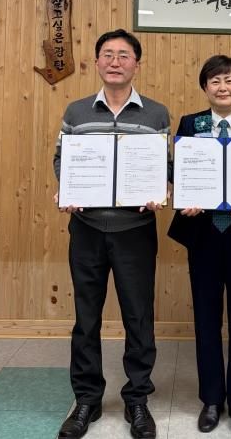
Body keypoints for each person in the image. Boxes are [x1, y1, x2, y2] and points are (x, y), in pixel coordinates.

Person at [53, 29, 170, 439]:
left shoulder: (156, 114)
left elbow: (164, 165)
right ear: (97, 61)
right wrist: (67, 188)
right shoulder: (76, 111)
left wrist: (161, 189)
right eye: (107, 54)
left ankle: (137, 399)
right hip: (86, 228)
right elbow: (61, 158)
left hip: (135, 230)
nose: (115, 61)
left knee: (138, 317)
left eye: (123, 55)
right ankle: (87, 399)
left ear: (137, 63)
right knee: (86, 318)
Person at [168, 55, 231, 439]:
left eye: (229, 80)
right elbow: (178, 171)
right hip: (204, 234)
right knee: (207, 320)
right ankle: (212, 399)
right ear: (205, 87)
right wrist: (184, 197)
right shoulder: (190, 125)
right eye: (215, 81)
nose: (222, 87)